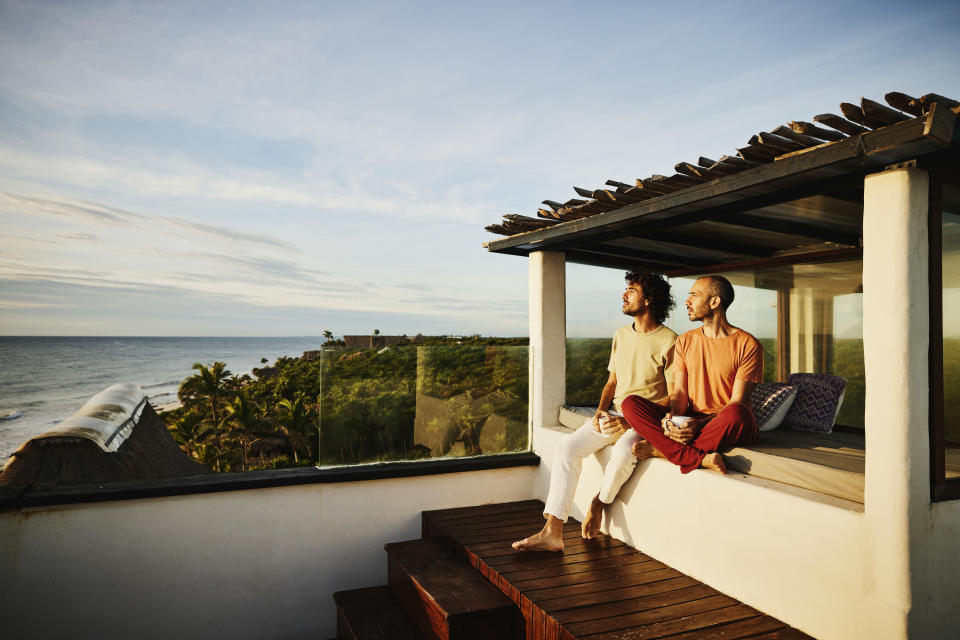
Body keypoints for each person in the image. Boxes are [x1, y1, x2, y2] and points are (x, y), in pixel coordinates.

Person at [512, 269, 676, 552]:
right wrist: (600, 412)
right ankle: (552, 531)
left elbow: (674, 398)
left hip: (643, 421)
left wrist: (629, 424)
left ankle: (598, 503)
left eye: (632, 291)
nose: (623, 295)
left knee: (624, 453)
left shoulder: (670, 341)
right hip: (613, 415)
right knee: (567, 447)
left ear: (648, 299)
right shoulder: (621, 335)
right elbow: (612, 382)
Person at [622, 275, 762, 474]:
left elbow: (737, 401)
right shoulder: (685, 341)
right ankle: (691, 455)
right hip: (691, 418)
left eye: (694, 296)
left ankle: (664, 451)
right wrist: (672, 418)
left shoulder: (748, 344)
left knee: (738, 413)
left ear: (714, 301)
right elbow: (679, 392)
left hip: (723, 421)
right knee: (630, 404)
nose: (687, 302)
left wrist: (700, 424)